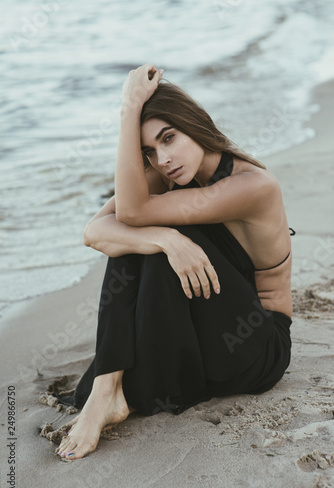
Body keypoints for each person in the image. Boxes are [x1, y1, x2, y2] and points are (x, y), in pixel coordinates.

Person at [56, 63, 294, 460]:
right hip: (206, 324)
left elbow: (131, 213)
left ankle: (112, 390)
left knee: (153, 232)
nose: (162, 159)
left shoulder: (253, 186)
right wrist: (163, 240)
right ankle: (106, 390)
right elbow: (94, 233)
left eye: (169, 139)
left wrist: (129, 107)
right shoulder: (168, 177)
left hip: (255, 344)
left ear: (195, 124)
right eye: (148, 151)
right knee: (146, 239)